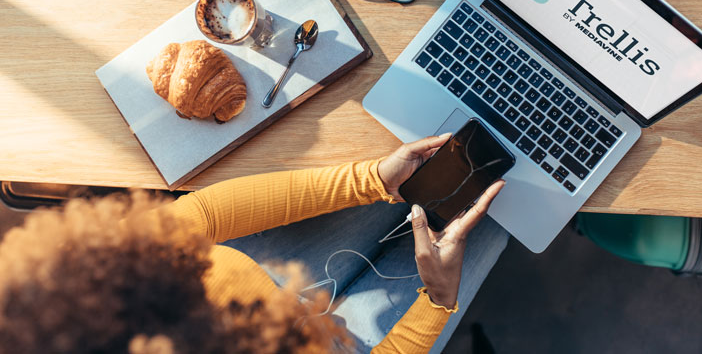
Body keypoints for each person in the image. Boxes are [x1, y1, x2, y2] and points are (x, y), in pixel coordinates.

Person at [0, 135, 507, 353]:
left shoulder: (75, 293)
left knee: (431, 172)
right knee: (503, 211)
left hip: (268, 269)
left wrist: (368, 178)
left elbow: (207, 214)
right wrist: (438, 299)